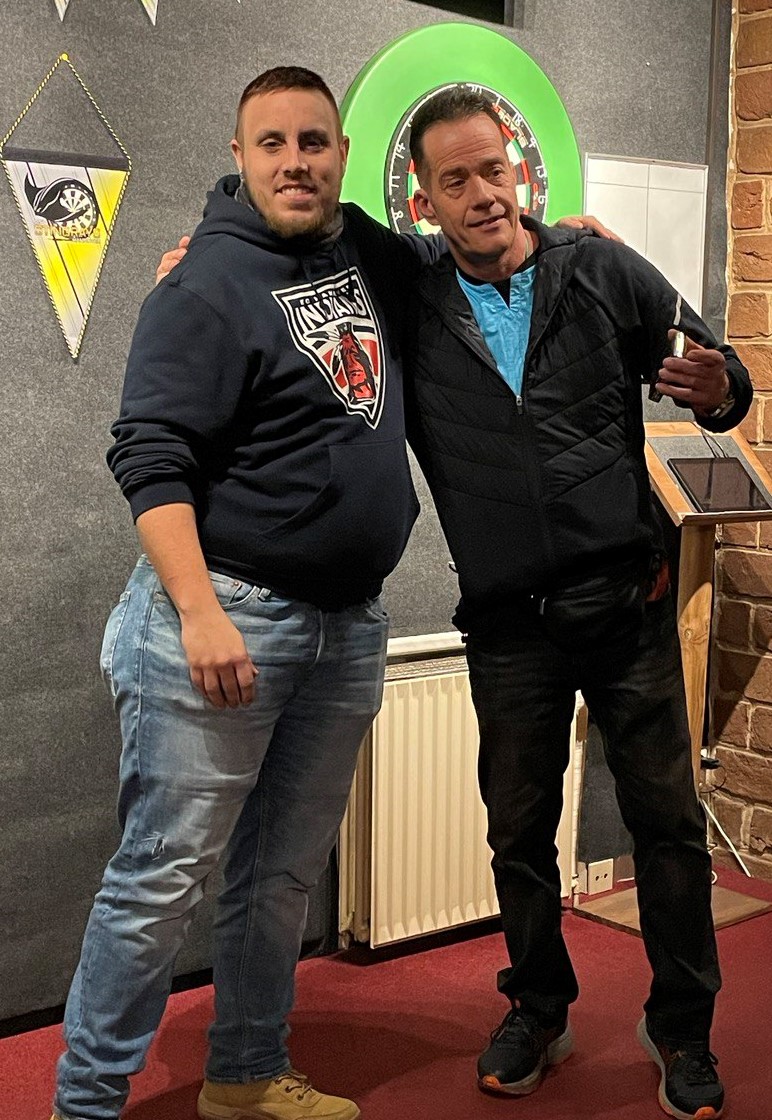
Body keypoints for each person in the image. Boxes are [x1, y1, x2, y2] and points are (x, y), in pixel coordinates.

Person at [53, 67, 608, 1120]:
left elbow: (457, 253)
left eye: (314, 142)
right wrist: (199, 613)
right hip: (223, 618)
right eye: (272, 144)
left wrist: (563, 238)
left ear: (342, 155)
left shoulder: (364, 249)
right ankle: (82, 1103)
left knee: (280, 877)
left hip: (344, 628)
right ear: (239, 155)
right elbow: (150, 457)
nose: (295, 161)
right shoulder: (202, 284)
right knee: (159, 882)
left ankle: (244, 1071)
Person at [401, 88, 751, 1120]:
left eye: (493, 169)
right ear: (424, 200)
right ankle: (536, 1007)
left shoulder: (600, 268)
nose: (482, 193)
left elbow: (723, 376)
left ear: (519, 167)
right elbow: (300, 228)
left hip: (626, 605)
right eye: (456, 179)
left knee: (667, 827)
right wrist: (209, 248)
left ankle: (681, 1027)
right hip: (507, 624)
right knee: (518, 832)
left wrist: (719, 389)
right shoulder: (409, 294)